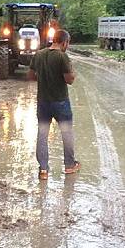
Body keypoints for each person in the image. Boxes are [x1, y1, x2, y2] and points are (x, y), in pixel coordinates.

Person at [27, 29, 80, 180]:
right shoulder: (62, 57)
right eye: (67, 43)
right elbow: (69, 80)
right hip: (61, 102)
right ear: (64, 42)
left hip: (43, 102)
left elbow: (30, 76)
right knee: (67, 133)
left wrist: (44, 79)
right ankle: (69, 166)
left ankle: (43, 169)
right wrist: (72, 70)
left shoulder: (39, 54)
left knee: (42, 134)